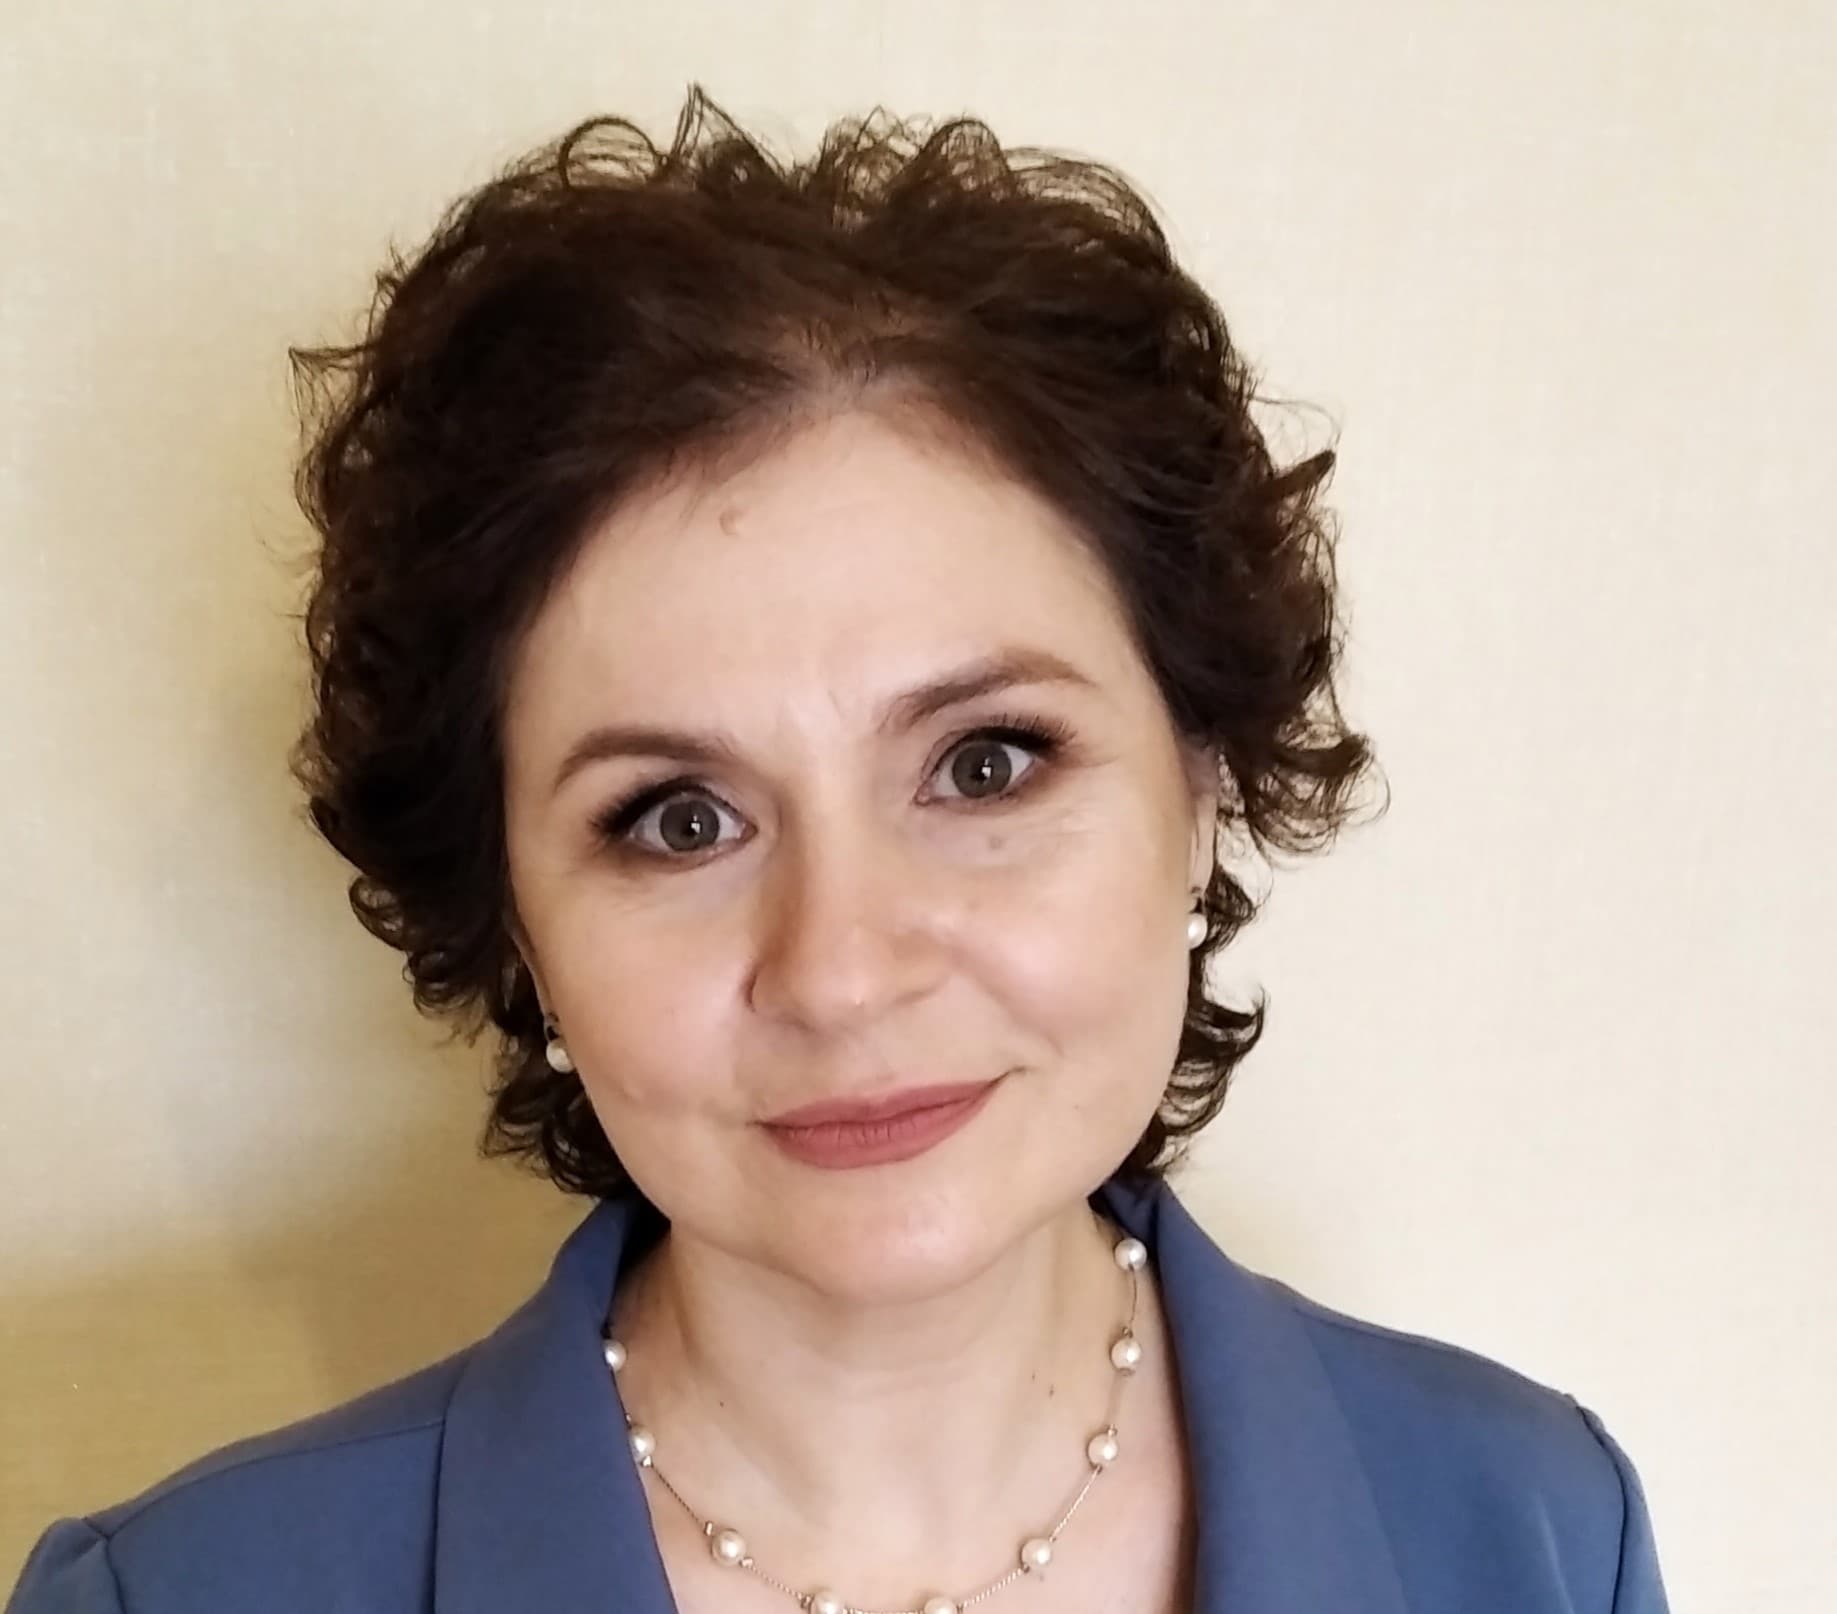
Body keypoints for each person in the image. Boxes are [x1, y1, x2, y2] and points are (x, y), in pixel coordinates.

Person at [6, 86, 1669, 1614]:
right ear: (513, 918)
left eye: (983, 763)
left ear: (1202, 789)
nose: (844, 969)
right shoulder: (170, 1598)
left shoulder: (1530, 1526)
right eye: (679, 817)